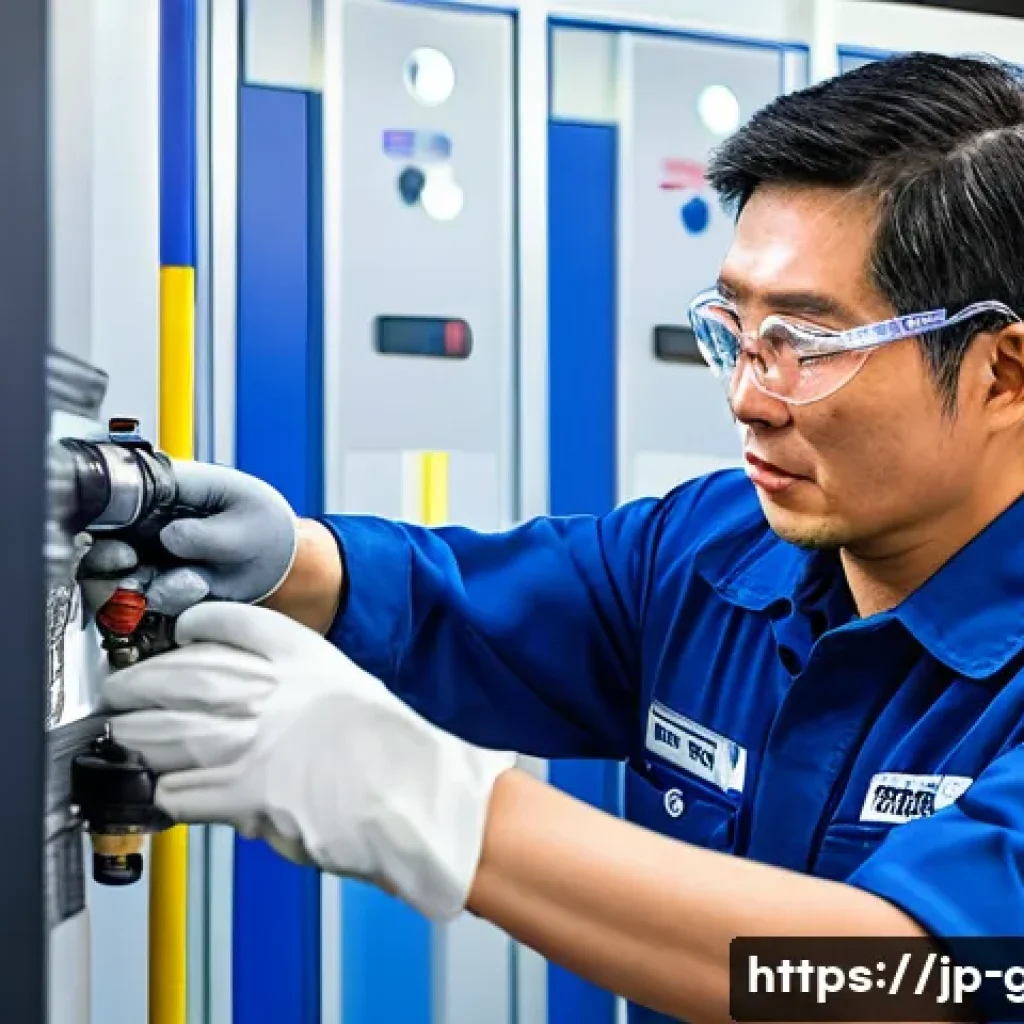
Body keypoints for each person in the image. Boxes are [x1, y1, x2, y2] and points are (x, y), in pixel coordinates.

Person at [82, 51, 1024, 1023]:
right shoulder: (718, 549)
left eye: (805, 346)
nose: (747, 397)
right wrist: (285, 560)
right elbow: (473, 607)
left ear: (1002, 373)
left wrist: (440, 809)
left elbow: (908, 983)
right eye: (734, 332)